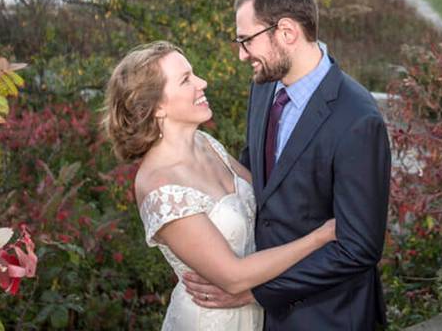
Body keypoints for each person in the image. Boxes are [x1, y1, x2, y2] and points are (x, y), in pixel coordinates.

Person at [182, 0, 392, 330]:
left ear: (287, 33)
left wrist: (256, 292)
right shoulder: (264, 89)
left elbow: (358, 248)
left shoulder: (358, 119)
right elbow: (262, 180)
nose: (240, 54)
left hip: (331, 317)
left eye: (246, 41)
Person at [103, 41, 337, 331]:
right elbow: (234, 276)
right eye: (186, 80)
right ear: (156, 107)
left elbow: (266, 198)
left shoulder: (207, 145)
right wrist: (321, 236)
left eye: (194, 74)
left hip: (252, 313)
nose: (202, 82)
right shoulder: (160, 187)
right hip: (209, 320)